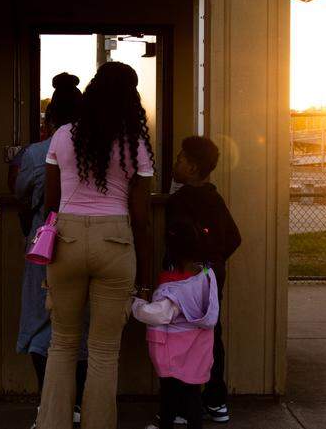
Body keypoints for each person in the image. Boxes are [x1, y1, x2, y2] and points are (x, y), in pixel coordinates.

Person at [37, 61, 155, 429]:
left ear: (91, 91)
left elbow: (51, 202)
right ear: (131, 98)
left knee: (62, 344)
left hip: (67, 239)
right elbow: (141, 218)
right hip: (115, 241)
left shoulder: (63, 136)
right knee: (104, 351)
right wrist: (146, 278)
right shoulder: (135, 144)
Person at [13, 73, 88, 425]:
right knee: (82, 324)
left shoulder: (36, 153)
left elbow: (22, 194)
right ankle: (77, 406)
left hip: (45, 243)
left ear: (50, 119)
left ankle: (48, 407)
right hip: (88, 242)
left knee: (41, 322)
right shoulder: (99, 148)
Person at [167, 137, 240, 423]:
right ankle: (216, 400)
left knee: (182, 337)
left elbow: (176, 241)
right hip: (212, 277)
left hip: (185, 279)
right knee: (211, 334)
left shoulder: (178, 202)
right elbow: (234, 237)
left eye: (180, 160)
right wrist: (214, 262)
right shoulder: (215, 199)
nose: (175, 164)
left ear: (193, 168)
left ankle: (185, 406)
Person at [133, 219, 219, 429]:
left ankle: (166, 424)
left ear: (172, 251)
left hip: (173, 350)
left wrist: (136, 304)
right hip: (199, 346)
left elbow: (159, 314)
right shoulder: (207, 274)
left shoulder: (175, 288)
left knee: (169, 394)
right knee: (193, 393)